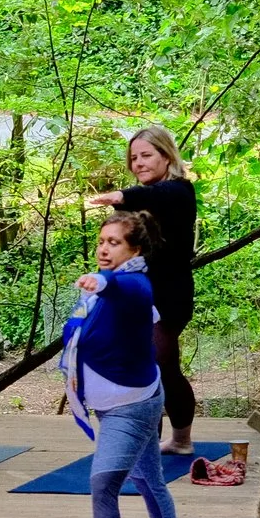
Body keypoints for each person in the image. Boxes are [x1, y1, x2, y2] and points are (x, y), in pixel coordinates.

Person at [60, 212, 181, 518]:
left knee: (102, 483)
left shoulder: (134, 284)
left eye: (114, 242)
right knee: (148, 480)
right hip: (118, 402)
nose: (104, 249)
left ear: (135, 250)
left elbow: (120, 289)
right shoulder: (95, 292)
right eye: (101, 241)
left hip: (132, 407)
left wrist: (103, 281)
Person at [86, 124, 199, 454]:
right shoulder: (131, 204)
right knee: (139, 366)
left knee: (161, 361)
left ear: (166, 156)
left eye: (146, 155)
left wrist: (123, 195)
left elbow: (159, 197)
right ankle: (146, 443)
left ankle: (180, 439)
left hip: (169, 294)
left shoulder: (178, 191)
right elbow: (117, 248)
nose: (138, 163)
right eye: (133, 158)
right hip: (132, 295)